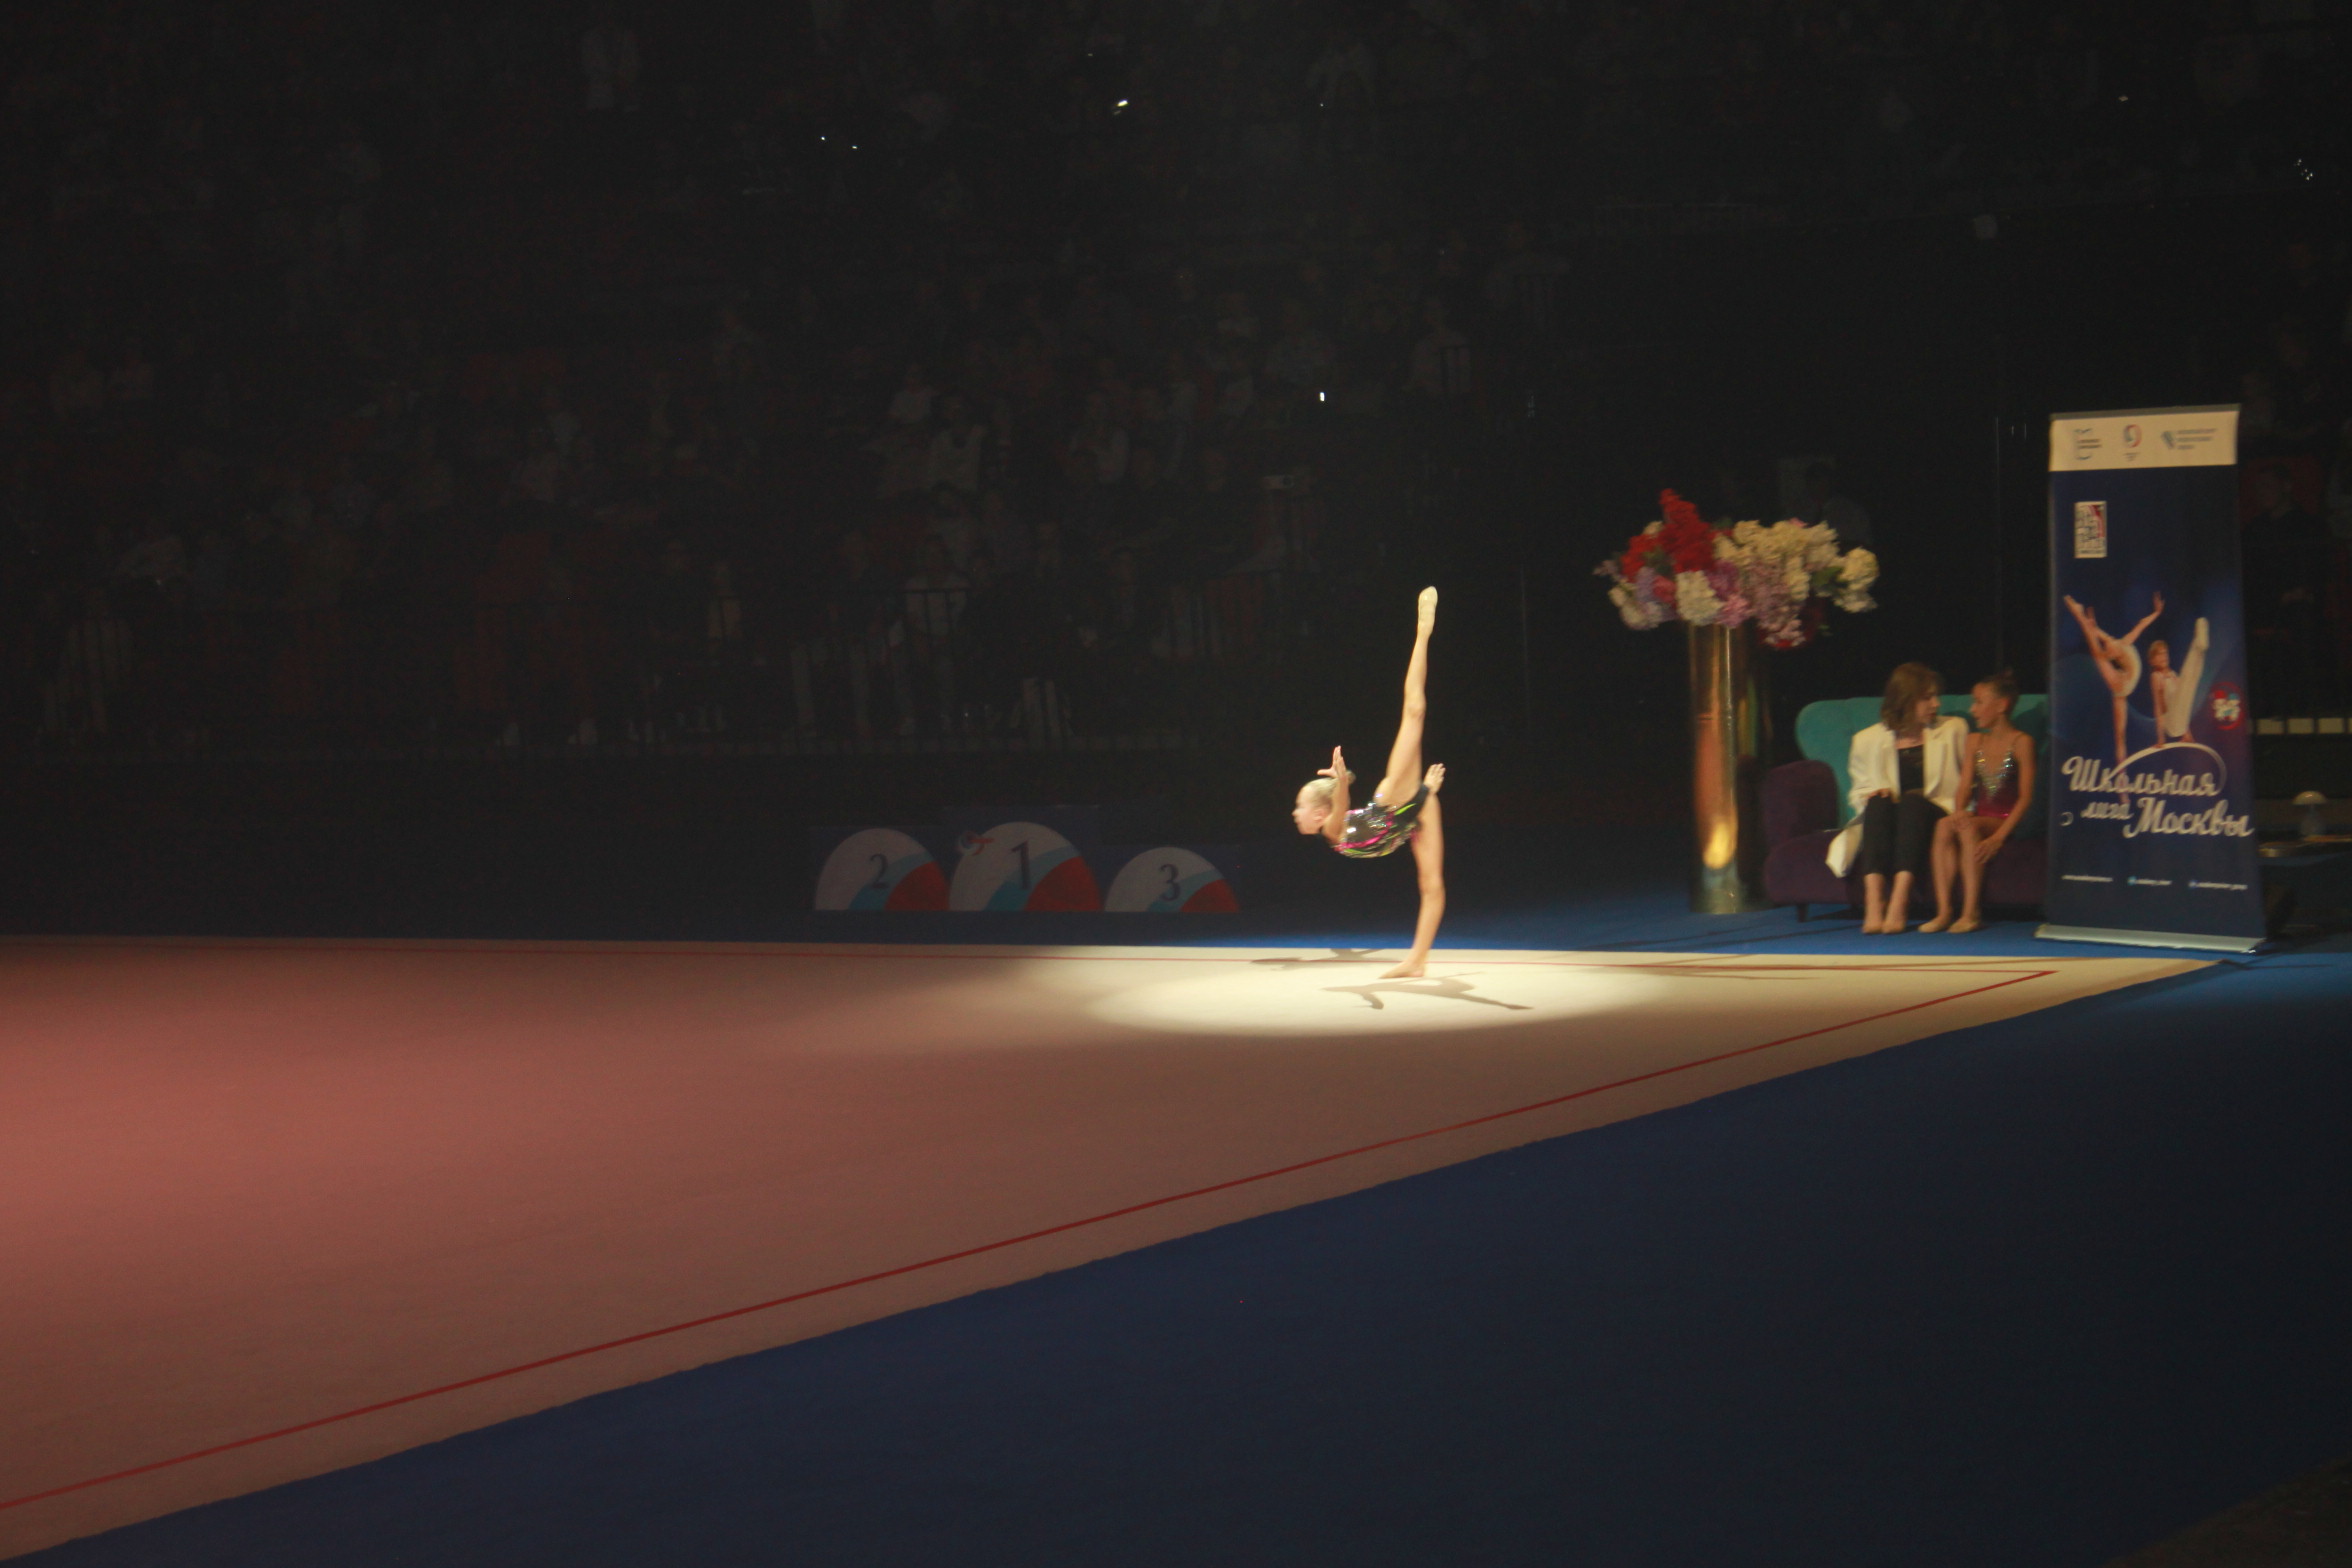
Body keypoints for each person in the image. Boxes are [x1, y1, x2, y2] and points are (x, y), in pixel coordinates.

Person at [1291, 587, 1447, 978]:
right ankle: (1417, 961)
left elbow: (1343, 807)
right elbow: (1343, 808)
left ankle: (1423, 632)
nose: (1295, 814)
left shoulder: (1333, 826)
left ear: (1320, 813)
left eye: (1300, 808)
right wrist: (1425, 792)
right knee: (1431, 885)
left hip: (1392, 803)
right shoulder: (1331, 833)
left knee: (1414, 712)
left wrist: (1343, 781)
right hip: (1412, 816)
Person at [1827, 662, 1966, 934]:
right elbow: (1857, 791)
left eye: (1936, 696)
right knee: (1878, 802)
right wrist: (1871, 794)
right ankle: (1875, 899)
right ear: (1905, 700)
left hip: (1936, 813)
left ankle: (1900, 899)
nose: (1936, 704)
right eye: (1927, 698)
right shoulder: (1866, 740)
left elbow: (1967, 780)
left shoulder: (1953, 730)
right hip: (1890, 818)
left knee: (1912, 802)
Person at [1921, 671, 2038, 934]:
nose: (1972, 709)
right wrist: (1959, 812)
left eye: (1978, 702)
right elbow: (1964, 787)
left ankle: (1971, 912)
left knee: (1969, 827)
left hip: (2007, 820)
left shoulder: (2022, 743)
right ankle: (1944, 911)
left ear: (2001, 705)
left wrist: (1999, 837)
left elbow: (2026, 797)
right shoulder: (1975, 741)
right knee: (1944, 825)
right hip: (1982, 816)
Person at [2063, 592, 2164, 765]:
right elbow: (2100, 638)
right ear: (2114, 656)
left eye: (2109, 643)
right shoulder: (2119, 647)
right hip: (2122, 684)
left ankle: (2078, 614)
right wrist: (2090, 626)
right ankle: (2121, 770)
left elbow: (2141, 624)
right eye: (2109, 648)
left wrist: (2157, 612)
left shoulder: (2122, 643)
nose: (2109, 642)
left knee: (2096, 647)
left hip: (2125, 682)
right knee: (2119, 735)